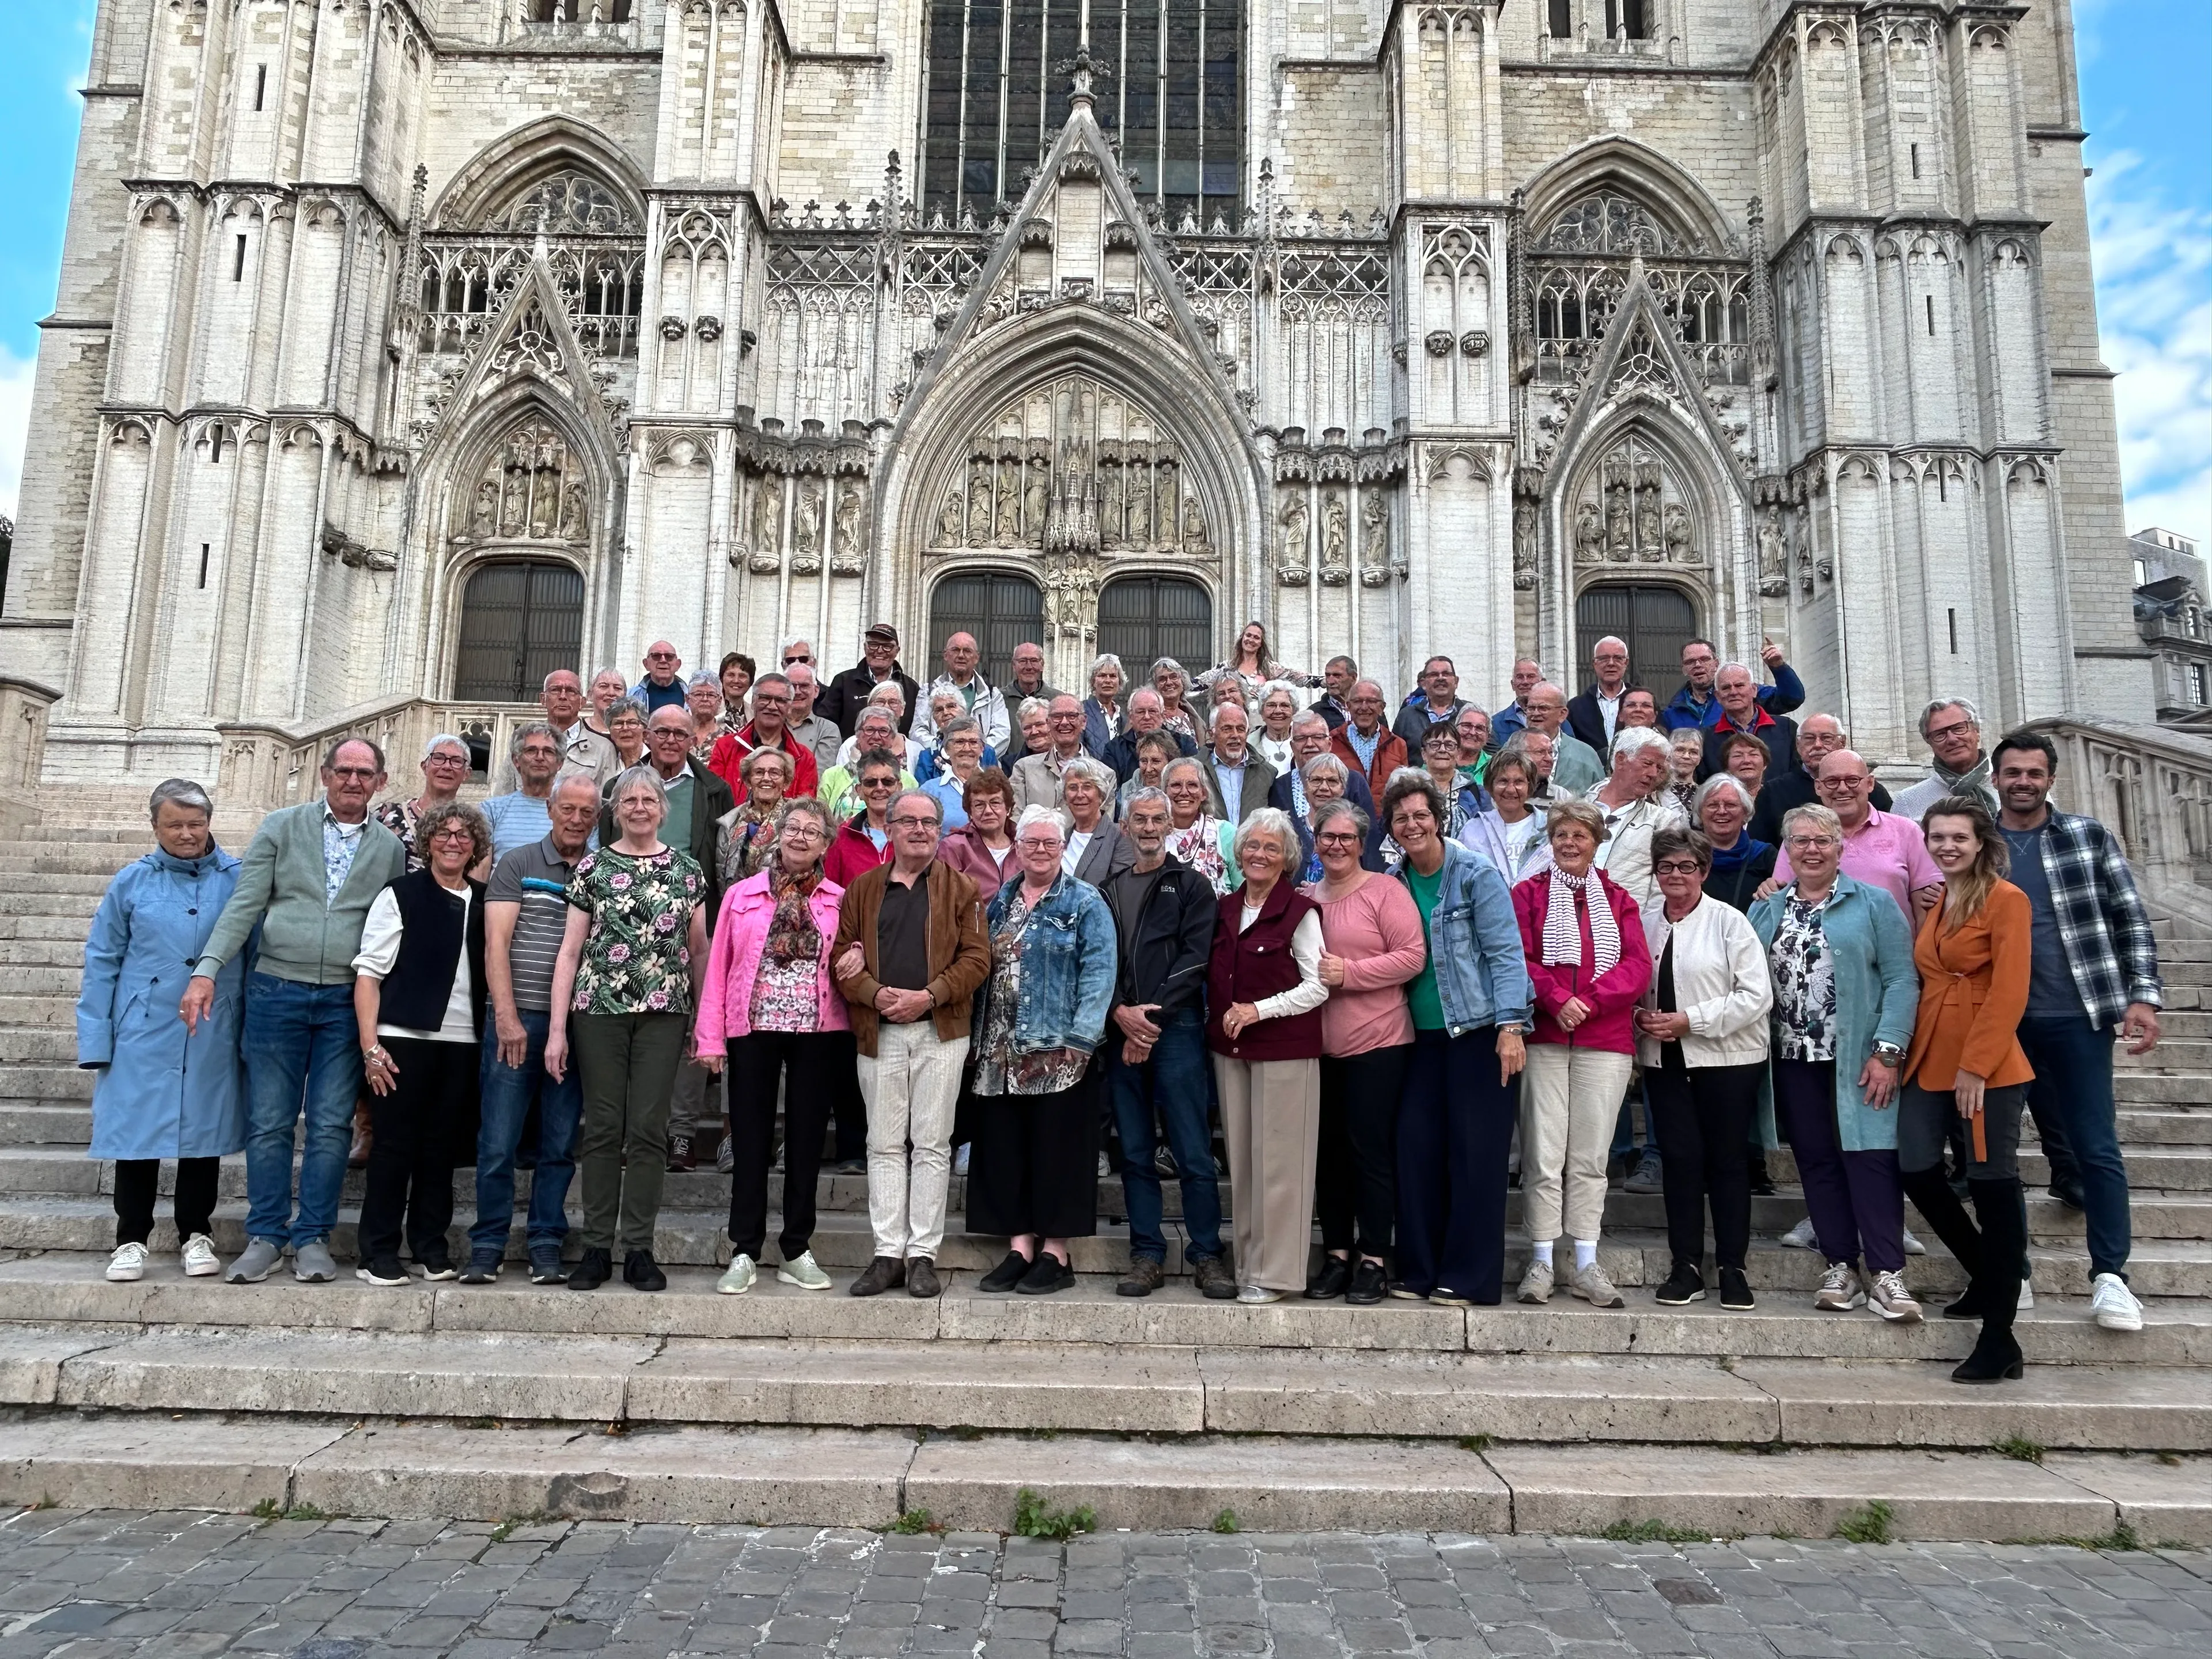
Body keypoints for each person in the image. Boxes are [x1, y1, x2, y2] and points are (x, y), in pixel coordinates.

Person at [184, 738, 407, 1286]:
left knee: (330, 1125)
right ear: (325, 775)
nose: (353, 781)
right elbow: (245, 903)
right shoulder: (281, 827)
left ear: (380, 782)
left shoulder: (389, 847)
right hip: (276, 989)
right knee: (269, 1122)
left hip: (343, 1000)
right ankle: (265, 1235)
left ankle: (312, 1238)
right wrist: (207, 969)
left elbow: (389, 927)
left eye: (365, 773)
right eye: (344, 770)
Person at [1990, 729, 2161, 1334]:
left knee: (2096, 1147)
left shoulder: (2087, 836)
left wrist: (2143, 995)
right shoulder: (1980, 843)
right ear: (1996, 779)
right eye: (2013, 773)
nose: (2023, 782)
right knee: (1998, 1157)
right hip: (2002, 1023)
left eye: (2034, 773)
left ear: (2050, 779)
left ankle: (2111, 1276)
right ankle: (2013, 1270)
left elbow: (2130, 917)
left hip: (2079, 1014)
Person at [1749, 804, 1921, 1321]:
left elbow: (1902, 979)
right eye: (1800, 841)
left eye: (1822, 840)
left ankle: (1887, 1273)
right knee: (1817, 1160)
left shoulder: (1874, 903)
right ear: (1787, 850)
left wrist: (1888, 1051)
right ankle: (1840, 1265)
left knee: (1870, 1157)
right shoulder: (1767, 910)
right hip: (1793, 1058)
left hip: (1860, 1058)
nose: (1812, 850)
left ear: (1840, 848)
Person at [546, 766, 710, 1292]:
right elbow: (570, 951)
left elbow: (699, 950)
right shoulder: (593, 867)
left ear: (663, 809)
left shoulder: (686, 870)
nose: (639, 808)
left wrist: (705, 1021)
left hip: (666, 1012)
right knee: (602, 1127)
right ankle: (597, 1246)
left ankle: (639, 1246)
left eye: (649, 800)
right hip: (599, 1010)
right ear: (615, 811)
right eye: (629, 800)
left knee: (647, 1128)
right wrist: (556, 1030)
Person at [78, 780, 245, 1283]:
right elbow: (102, 959)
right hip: (143, 1026)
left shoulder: (239, 878)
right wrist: (96, 1038)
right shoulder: (131, 882)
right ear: (155, 826)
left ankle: (196, 1232)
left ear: (210, 823)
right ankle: (131, 1238)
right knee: (137, 1135)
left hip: (213, 1023)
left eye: (196, 824)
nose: (187, 834)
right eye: (175, 825)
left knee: (203, 1134)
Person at [1892, 796, 2035, 1381]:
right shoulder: (1939, 900)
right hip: (1930, 1054)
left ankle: (2000, 1337)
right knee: (1915, 1166)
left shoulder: (2006, 899)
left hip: (1985, 1063)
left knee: (1992, 1181)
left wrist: (1977, 1066)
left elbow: (2010, 989)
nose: (1948, 846)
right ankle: (1989, 1273)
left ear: (1981, 843)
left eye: (1959, 838)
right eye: (1938, 838)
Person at [832, 789, 992, 1297]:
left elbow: (977, 959)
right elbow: (841, 959)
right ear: (891, 828)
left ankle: (922, 1255)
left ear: (940, 831)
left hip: (940, 1032)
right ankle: (887, 1254)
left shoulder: (962, 889)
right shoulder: (863, 889)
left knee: (931, 1145)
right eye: (908, 821)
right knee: (881, 1144)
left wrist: (928, 996)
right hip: (878, 1032)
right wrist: (876, 995)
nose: (919, 830)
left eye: (929, 822)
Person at [1381, 775, 1533, 1305]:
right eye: (1401, 818)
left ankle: (1469, 1277)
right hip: (1417, 1039)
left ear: (1437, 819)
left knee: (1476, 1157)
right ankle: (1419, 1270)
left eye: (1420, 815)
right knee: (1416, 1149)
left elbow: (1507, 954)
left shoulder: (1474, 873)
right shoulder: (1394, 883)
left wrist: (1511, 1028)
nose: (1412, 825)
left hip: (1478, 1033)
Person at [695, 798, 848, 1296]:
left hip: (818, 1032)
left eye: (812, 831)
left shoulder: (840, 899)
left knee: (805, 1143)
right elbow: (718, 967)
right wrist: (710, 1038)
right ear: (779, 835)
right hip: (752, 1029)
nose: (800, 837)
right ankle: (745, 1249)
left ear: (825, 845)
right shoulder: (742, 895)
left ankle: (796, 1248)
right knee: (750, 1141)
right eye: (793, 828)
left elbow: (853, 956)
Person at [965, 807, 1118, 1296]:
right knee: (1006, 1151)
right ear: (1018, 849)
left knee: (1058, 1152)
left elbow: (1100, 972)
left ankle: (1055, 1253)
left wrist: (1082, 1037)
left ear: (1062, 848)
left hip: (1058, 1051)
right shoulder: (1000, 901)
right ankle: (1019, 1249)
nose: (1040, 851)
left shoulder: (1085, 901)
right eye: (1031, 842)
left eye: (1051, 843)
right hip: (999, 1052)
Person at [1513, 799, 1653, 1309]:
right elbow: (1517, 957)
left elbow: (1637, 966)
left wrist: (1589, 1003)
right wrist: (1556, 999)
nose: (1570, 843)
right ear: (1550, 842)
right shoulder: (1527, 895)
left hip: (1604, 1040)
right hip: (1547, 1038)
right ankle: (1542, 1259)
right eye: (1562, 835)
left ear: (1597, 843)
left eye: (1580, 835)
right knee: (1543, 1155)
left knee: (1591, 1158)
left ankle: (1587, 1261)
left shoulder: (1618, 899)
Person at [350, 802, 491, 1286]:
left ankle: (430, 1247)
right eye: (444, 833)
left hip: (463, 1042)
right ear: (428, 841)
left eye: (464, 835)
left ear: (476, 846)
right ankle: (377, 1252)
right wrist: (371, 1047)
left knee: (440, 1150)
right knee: (393, 1148)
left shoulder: (485, 899)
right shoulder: (401, 894)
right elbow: (369, 975)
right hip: (402, 1041)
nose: (453, 842)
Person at [1635, 827, 1774, 1310]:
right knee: (1680, 1161)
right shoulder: (1644, 922)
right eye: (1666, 867)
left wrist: (1690, 1020)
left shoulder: (1730, 922)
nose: (1676, 875)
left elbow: (1756, 996)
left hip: (1727, 1061)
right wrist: (1639, 1018)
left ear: (1705, 871)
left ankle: (1733, 1267)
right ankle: (1686, 1267)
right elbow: (1631, 985)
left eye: (1686, 866)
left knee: (1728, 1163)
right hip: (1664, 1062)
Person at [467, 772, 597, 1286]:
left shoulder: (602, 870)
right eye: (568, 809)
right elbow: (495, 944)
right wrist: (506, 1017)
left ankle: (546, 1242)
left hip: (576, 1026)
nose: (576, 820)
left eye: (587, 812)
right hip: (517, 1020)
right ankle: (488, 1244)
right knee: (498, 1142)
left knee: (559, 1144)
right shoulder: (518, 863)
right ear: (550, 810)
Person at [1103, 787, 1233, 1298]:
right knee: (1135, 1151)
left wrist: (1148, 1022)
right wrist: (1121, 1013)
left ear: (1170, 826)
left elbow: (1195, 960)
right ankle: (1147, 1254)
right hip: (1122, 1030)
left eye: (1159, 819)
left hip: (1175, 1030)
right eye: (1141, 819)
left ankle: (1207, 1254)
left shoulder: (1193, 886)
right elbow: (1101, 962)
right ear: (1126, 826)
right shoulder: (1109, 891)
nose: (1150, 828)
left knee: (1193, 1149)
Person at [1297, 798, 1425, 1303]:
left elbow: (1412, 957)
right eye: (1328, 836)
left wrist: (1349, 974)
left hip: (1378, 1043)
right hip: (1319, 1048)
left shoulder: (1385, 891)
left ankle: (1374, 1257)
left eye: (1346, 837)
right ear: (1315, 842)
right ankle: (1336, 1254)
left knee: (1369, 1152)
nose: (1336, 845)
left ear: (1362, 843)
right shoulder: (1305, 897)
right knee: (1327, 1155)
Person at [1207, 808, 1331, 1303]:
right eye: (1253, 846)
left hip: (1285, 1052)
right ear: (1239, 854)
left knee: (1281, 1166)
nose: (1259, 855)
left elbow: (1318, 985)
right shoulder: (1225, 908)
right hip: (1231, 1051)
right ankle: (1248, 1266)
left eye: (1271, 848)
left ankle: (1276, 1275)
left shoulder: (1300, 912)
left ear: (1287, 860)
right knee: (1243, 1163)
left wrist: (1259, 1011)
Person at [1771, 750, 1942, 926]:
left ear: (1870, 783)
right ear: (1818, 787)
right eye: (1832, 782)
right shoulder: (1800, 838)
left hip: (1893, 942)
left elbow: (1926, 906)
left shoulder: (1906, 831)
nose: (1842, 788)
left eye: (1852, 780)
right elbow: (1781, 894)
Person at [1747, 714, 1893, 844]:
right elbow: (1761, 850)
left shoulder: (1867, 790)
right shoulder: (1773, 793)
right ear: (1798, 745)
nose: (1817, 745)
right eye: (1809, 739)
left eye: (1826, 738)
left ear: (1842, 742)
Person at [1589, 728, 1683, 907]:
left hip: (1626, 918)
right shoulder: (1577, 809)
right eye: (1647, 763)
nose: (1653, 774)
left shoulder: (1664, 821)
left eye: (1659, 768)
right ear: (1621, 759)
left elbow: (1664, 890)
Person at [491, 670, 619, 792]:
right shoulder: (524, 741)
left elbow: (607, 800)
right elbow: (503, 794)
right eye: (555, 690)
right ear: (543, 699)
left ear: (582, 702)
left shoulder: (603, 748)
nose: (563, 696)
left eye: (571, 691)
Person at [706, 672, 821, 804]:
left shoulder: (804, 758)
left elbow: (804, 808)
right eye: (765, 698)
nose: (772, 706)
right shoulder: (726, 747)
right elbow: (713, 800)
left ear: (790, 707)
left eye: (781, 700)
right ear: (753, 702)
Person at [374, 734, 472, 873]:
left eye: (456, 761)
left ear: (466, 774)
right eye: (439, 758)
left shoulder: (471, 825)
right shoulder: (387, 814)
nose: (447, 766)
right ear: (425, 767)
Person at [1664, 637, 1805, 732]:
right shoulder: (1672, 712)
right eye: (1690, 662)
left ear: (1716, 663)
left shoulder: (1741, 694)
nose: (1698, 665)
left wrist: (1779, 667)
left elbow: (1792, 698)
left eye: (1704, 659)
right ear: (1684, 669)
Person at [1892, 697, 1999, 821]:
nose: (1952, 739)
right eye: (1940, 734)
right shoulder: (1908, 801)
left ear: (1977, 731)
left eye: (1959, 728)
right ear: (1929, 742)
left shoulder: (2009, 784)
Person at [1460, 743, 1552, 882]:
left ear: (1530, 786)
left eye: (1519, 782)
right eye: (1503, 781)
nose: (1510, 790)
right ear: (1490, 787)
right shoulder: (1472, 830)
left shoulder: (1548, 830)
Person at [1269, 710, 1378, 825]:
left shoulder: (1355, 782)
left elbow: (1369, 830)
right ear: (1292, 746)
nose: (1310, 744)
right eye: (1301, 738)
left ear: (1329, 743)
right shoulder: (1280, 787)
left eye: (1318, 737)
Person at [480, 723, 569, 861]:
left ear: (560, 763)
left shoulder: (574, 813)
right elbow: (482, 867)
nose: (540, 757)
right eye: (531, 751)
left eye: (548, 752)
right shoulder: (492, 810)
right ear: (516, 760)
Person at [911, 631, 1011, 751]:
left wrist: (975, 752)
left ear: (977, 658)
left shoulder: (992, 695)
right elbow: (918, 731)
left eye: (967, 651)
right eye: (955, 650)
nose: (961, 655)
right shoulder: (928, 691)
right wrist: (944, 751)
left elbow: (1002, 733)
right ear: (946, 655)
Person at [1699, 662, 1801, 780]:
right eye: (1726, 688)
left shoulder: (1787, 728)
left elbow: (1801, 774)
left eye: (1739, 686)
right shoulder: (1706, 739)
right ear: (1717, 696)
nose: (1733, 692)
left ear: (1754, 690)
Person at [823, 621, 921, 736]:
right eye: (873, 645)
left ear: (897, 651)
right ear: (865, 647)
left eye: (887, 647)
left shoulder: (911, 688)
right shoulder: (843, 682)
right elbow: (827, 724)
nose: (880, 651)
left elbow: (917, 728)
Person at [1695, 775, 1776, 914]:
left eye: (1730, 805)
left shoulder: (1766, 856)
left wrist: (1772, 888)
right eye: (1713, 805)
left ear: (1745, 813)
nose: (1721, 811)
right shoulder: (1687, 857)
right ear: (1700, 813)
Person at [820, 709, 919, 821]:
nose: (876, 736)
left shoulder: (908, 780)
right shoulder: (832, 776)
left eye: (883, 731)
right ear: (858, 735)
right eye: (870, 730)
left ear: (892, 738)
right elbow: (823, 821)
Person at [937, 768, 1020, 902]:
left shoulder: (1024, 844)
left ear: (1008, 809)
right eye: (979, 805)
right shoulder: (953, 847)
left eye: (995, 803)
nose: (988, 811)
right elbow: (947, 901)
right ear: (970, 813)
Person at [825, 750, 904, 887]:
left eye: (888, 782)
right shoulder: (841, 838)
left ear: (899, 787)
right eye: (870, 783)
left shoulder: (914, 833)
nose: (880, 788)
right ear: (859, 791)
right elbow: (830, 892)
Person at [716, 747, 794, 884]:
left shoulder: (796, 820)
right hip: (737, 897)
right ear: (748, 782)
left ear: (786, 783)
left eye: (774, 773)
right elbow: (721, 878)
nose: (766, 778)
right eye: (759, 772)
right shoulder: (729, 823)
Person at [1163, 756, 1238, 894]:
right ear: (1164, 793)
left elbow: (1244, 889)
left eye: (1192, 785)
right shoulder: (1153, 833)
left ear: (1204, 793)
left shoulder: (1227, 833)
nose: (1184, 792)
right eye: (1176, 785)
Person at [1199, 700, 1278, 825]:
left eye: (1241, 729)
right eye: (1227, 729)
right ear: (1211, 734)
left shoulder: (1266, 773)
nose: (1235, 735)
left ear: (1247, 733)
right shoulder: (1196, 769)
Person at [1200, 618, 1315, 702]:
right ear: (1242, 638)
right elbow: (1199, 683)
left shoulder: (1271, 669)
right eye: (1248, 635)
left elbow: (1296, 677)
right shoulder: (1226, 668)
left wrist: (1322, 681)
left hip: (1260, 723)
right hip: (1233, 722)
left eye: (1256, 638)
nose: (1251, 640)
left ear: (1261, 643)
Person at [1010, 694, 1092, 812]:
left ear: (1083, 722)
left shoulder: (1103, 773)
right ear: (1050, 722)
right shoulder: (1022, 768)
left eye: (1040, 724)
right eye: (1057, 717)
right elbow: (1016, 817)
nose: (1034, 732)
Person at [1060, 757, 1134, 886]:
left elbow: (1119, 889)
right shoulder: (1060, 838)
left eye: (1087, 787)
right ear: (1065, 797)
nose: (1080, 795)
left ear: (1101, 795)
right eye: (1073, 788)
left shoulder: (1121, 836)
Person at [1330, 679, 1410, 797]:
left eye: (1371, 701)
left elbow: (1404, 788)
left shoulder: (1397, 744)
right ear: (1348, 706)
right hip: (1344, 809)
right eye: (1358, 701)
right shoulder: (1332, 741)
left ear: (1382, 708)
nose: (1364, 707)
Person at [1525, 683, 1605, 796]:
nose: (1535, 713)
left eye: (1543, 708)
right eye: (1531, 708)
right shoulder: (1512, 747)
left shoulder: (1586, 754)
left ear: (1562, 714)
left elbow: (1600, 796)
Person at [1104, 688, 1197, 783]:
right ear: (1131, 717)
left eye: (1152, 711)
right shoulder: (1114, 749)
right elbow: (1110, 787)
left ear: (1162, 716)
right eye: (1141, 712)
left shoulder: (1184, 743)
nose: (1147, 717)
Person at [918, 714, 991, 830]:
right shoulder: (929, 791)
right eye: (960, 742)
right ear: (947, 749)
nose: (967, 749)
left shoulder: (996, 786)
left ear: (982, 748)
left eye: (973, 742)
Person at [1566, 635, 1636, 755]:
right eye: (1604, 659)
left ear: (1626, 663)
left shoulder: (1643, 704)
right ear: (1594, 663)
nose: (1611, 663)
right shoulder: (1575, 707)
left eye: (1618, 658)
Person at [834, 683, 925, 772]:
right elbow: (842, 778)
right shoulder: (850, 745)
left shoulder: (916, 750)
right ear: (869, 706)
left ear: (902, 709)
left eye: (893, 702)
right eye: (880, 702)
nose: (886, 707)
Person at [1392, 656, 1473, 747]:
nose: (1441, 678)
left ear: (1456, 682)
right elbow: (1394, 751)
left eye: (1446, 674)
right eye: (1434, 675)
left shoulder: (1471, 713)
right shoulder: (1407, 716)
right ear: (1423, 683)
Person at [783, 660, 843, 775]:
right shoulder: (771, 725)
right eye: (792, 686)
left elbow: (820, 775)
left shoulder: (828, 730)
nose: (797, 692)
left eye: (804, 686)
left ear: (816, 691)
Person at [1152, 658, 1209, 745]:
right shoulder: (1151, 716)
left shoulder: (1190, 715)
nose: (1169, 683)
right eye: (1162, 679)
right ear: (1155, 686)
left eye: (1174, 677)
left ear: (1183, 682)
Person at [1081, 653, 1127, 757]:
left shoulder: (1123, 718)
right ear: (1093, 682)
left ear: (1119, 682)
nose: (1108, 680)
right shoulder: (1082, 711)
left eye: (1113, 676)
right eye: (1102, 676)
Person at [1491, 657, 1543, 744]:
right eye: (1520, 677)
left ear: (1541, 682)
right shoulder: (1496, 722)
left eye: (1530, 677)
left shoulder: (1555, 717)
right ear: (1513, 685)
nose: (1525, 682)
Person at [628, 641, 688, 714]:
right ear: (646, 664)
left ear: (678, 665)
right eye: (656, 656)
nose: (663, 660)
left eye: (669, 656)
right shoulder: (630, 697)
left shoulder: (692, 697)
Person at [1002, 695, 1054, 779]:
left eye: (1040, 724)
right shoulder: (1009, 765)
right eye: (1027, 728)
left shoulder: (1067, 758)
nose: (1034, 732)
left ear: (1052, 724)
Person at [1253, 683, 1300, 773]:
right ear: (1262, 712)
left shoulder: (1305, 743)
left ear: (1294, 711)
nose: (1278, 711)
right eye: (1271, 705)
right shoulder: (1249, 746)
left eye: (1285, 705)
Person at [581, 668, 632, 748]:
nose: (611, 693)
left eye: (617, 688)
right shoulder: (579, 730)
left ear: (625, 696)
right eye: (604, 686)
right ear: (590, 694)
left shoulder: (632, 733)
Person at [684, 671, 725, 763]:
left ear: (720, 700)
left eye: (711, 695)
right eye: (698, 694)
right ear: (687, 699)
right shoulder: (678, 733)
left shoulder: (729, 736)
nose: (705, 699)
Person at [1310, 654, 1358, 730]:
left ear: (1353, 677)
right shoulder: (1315, 713)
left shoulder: (1369, 708)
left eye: (1337, 676)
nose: (1330, 682)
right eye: (1328, 675)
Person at [1008, 641, 1061, 705]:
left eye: (1034, 661)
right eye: (1023, 661)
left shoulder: (1058, 699)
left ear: (1042, 665)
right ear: (1014, 665)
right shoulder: (1000, 699)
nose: (1029, 667)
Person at [604, 698, 649, 773]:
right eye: (618, 723)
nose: (625, 728)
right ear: (610, 731)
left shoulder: (656, 761)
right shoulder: (604, 763)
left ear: (645, 730)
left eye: (632, 723)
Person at [1666, 728, 1706, 814]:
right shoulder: (1655, 792)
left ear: (1700, 758)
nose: (1686, 756)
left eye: (1694, 752)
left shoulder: (1705, 795)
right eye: (1680, 750)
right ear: (1668, 753)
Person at [1720, 730, 1770, 798]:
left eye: (1753, 755)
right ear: (1727, 765)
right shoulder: (1718, 799)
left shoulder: (1777, 797)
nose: (1746, 761)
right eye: (1738, 756)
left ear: (1765, 764)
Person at [1456, 706, 1494, 789]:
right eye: (1467, 726)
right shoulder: (1440, 759)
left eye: (1479, 728)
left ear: (1488, 737)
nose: (1472, 732)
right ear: (1455, 729)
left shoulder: (1494, 766)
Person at [716, 651, 755, 733]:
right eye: (731, 675)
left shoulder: (755, 714)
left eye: (742, 676)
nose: (736, 681)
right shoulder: (711, 710)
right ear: (722, 679)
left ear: (751, 682)